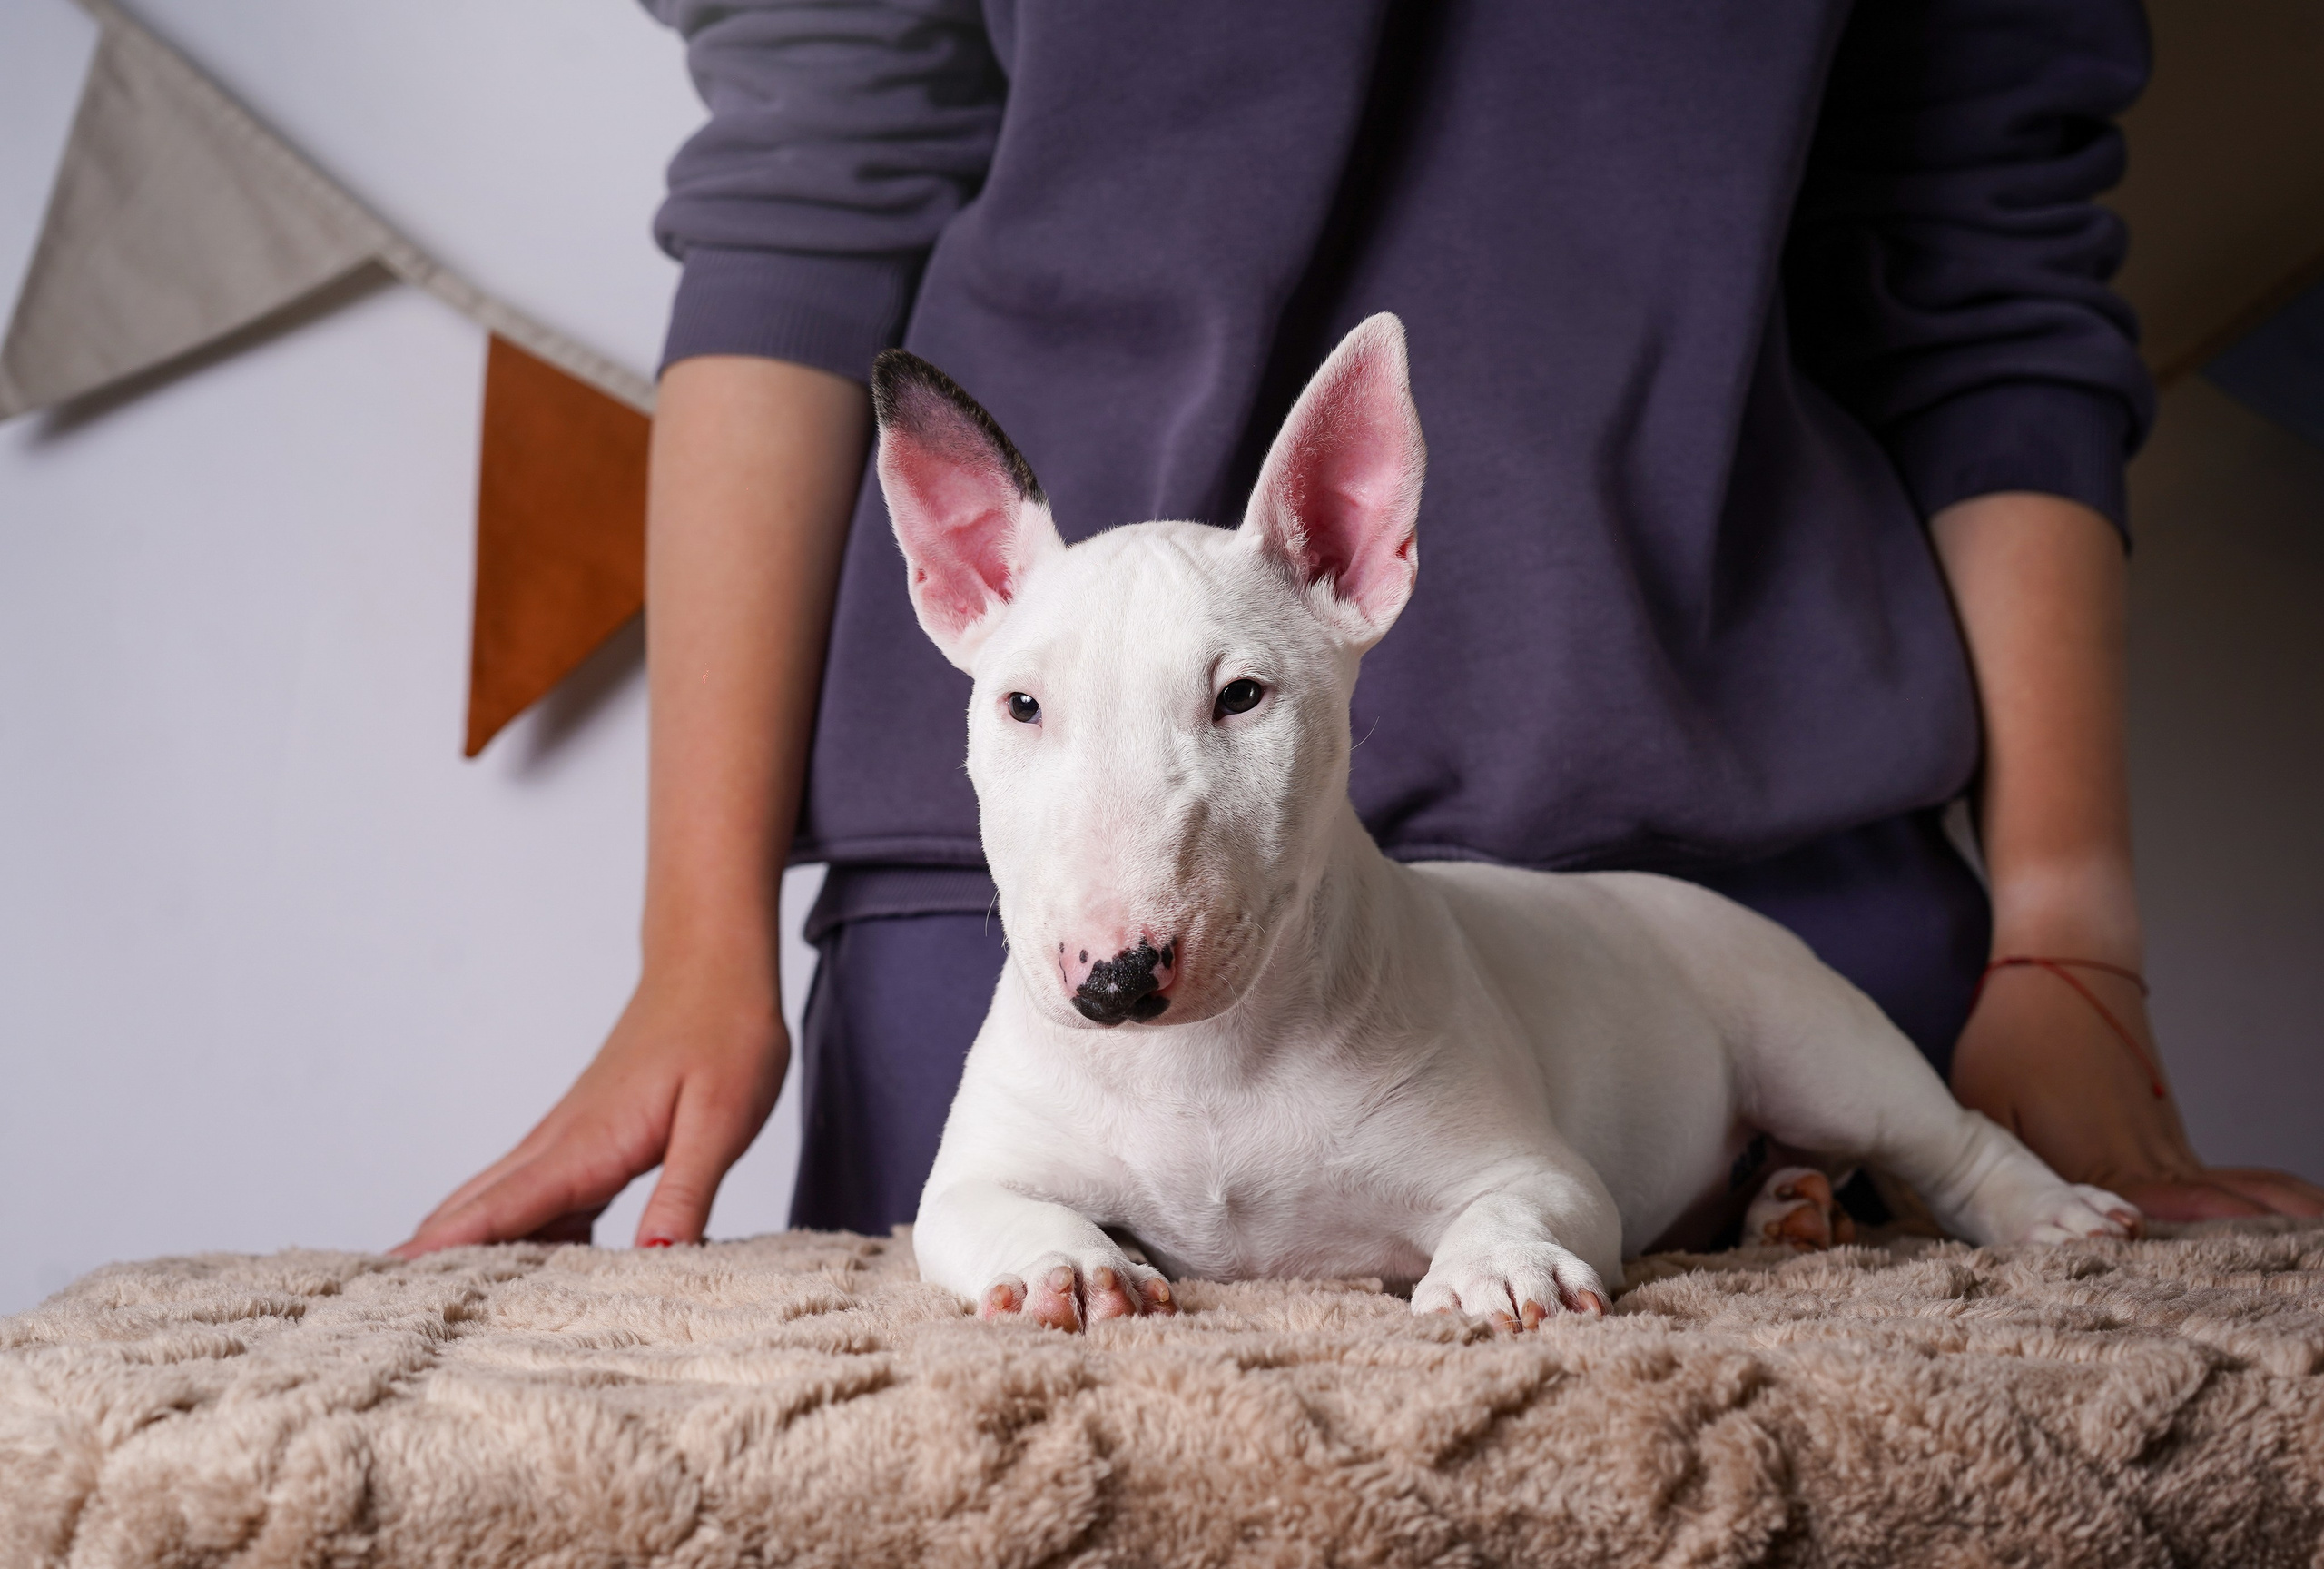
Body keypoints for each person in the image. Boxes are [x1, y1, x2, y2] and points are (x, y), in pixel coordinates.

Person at [396, 0, 2322, 1259]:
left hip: (1761, 914)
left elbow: (1984, 232)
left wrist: (2063, 924)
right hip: (993, 971)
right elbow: (815, 174)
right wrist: (691, 935)